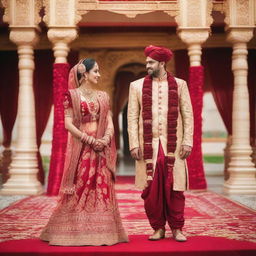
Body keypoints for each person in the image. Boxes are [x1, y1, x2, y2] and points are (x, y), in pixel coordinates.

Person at [40, 58, 128, 246]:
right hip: (82, 148)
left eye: (98, 71)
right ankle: (76, 231)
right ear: (84, 74)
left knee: (101, 187)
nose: (98, 74)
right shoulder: (71, 96)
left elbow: (109, 120)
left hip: (101, 149)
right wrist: (89, 140)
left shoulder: (102, 96)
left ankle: (104, 231)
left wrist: (105, 139)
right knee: (80, 187)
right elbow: (68, 124)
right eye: (95, 71)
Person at [127, 45, 193, 242]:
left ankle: (177, 228)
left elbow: (187, 115)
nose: (147, 65)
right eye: (147, 61)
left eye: (150, 62)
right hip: (148, 146)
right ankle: (158, 228)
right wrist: (133, 144)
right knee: (151, 191)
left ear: (162, 63)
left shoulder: (180, 84)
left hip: (174, 144)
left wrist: (188, 141)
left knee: (175, 188)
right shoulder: (136, 86)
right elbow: (132, 116)